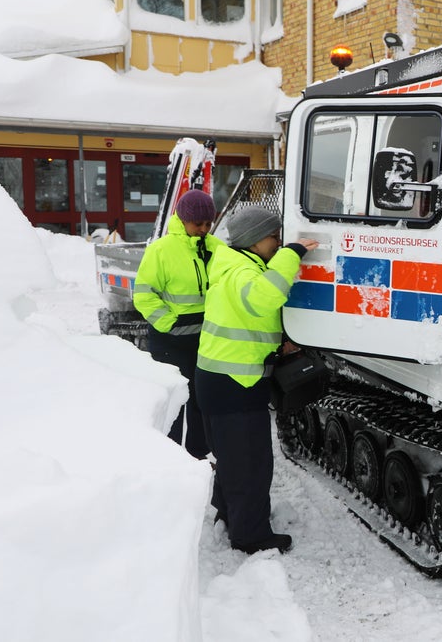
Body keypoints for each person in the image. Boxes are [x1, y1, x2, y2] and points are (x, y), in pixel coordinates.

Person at [195, 207, 318, 554]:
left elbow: (249, 318)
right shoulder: (241, 271)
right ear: (253, 240)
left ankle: (230, 514)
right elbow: (264, 299)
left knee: (232, 459)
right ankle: (250, 536)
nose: (278, 242)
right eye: (273, 237)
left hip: (221, 380)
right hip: (236, 384)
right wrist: (292, 254)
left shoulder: (233, 265)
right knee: (250, 464)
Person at [133, 188, 222, 459]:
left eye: (208, 224)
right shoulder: (160, 251)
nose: (204, 229)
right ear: (183, 220)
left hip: (205, 340)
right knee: (174, 403)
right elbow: (144, 294)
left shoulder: (217, 248)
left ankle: (198, 456)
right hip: (169, 342)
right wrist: (169, 323)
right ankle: (170, 460)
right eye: (198, 223)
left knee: (201, 401)